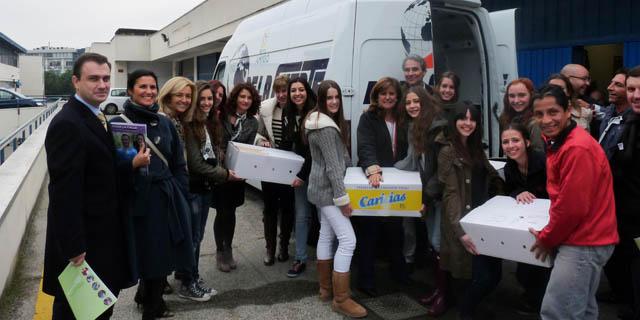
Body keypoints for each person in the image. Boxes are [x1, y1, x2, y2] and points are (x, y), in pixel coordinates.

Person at [43, 53, 141, 320]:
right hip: (85, 245)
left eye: (106, 78)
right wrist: (74, 246)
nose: (102, 84)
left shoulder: (97, 116)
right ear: (76, 81)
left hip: (103, 237)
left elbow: (101, 171)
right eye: (93, 78)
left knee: (97, 309)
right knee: (78, 312)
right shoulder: (68, 124)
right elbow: (64, 192)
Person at [529, 85, 619, 320]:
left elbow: (572, 208)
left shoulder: (576, 148)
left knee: (558, 313)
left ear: (568, 110)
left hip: (584, 242)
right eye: (539, 114)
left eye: (553, 112)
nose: (546, 120)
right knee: (582, 310)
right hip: (587, 239)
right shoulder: (560, 140)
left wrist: (547, 237)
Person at [111, 69, 193, 319]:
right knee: (146, 252)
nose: (148, 92)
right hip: (137, 198)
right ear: (130, 91)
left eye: (152, 87)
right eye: (142, 87)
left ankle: (150, 300)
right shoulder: (119, 123)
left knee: (163, 251)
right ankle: (151, 303)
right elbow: (113, 167)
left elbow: (179, 162)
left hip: (166, 196)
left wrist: (180, 190)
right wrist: (132, 164)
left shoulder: (165, 122)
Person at [304, 80, 368, 318]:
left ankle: (325, 289)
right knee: (348, 240)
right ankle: (341, 299)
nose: (333, 101)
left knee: (326, 235)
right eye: (328, 98)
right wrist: (343, 199)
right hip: (330, 193)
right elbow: (333, 167)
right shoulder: (327, 128)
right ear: (321, 100)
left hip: (320, 190)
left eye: (336, 97)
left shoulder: (316, 122)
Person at [435, 103, 503, 320]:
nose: (468, 123)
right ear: (454, 122)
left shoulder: (475, 148)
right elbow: (450, 194)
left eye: (472, 119)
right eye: (463, 118)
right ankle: (465, 312)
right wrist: (460, 230)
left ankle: (469, 308)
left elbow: (493, 175)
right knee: (472, 273)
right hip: (463, 220)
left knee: (490, 272)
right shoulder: (448, 151)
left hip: (481, 216)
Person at [156, 76, 213, 302]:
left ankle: (181, 281)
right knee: (187, 239)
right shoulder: (163, 120)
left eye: (188, 96)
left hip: (181, 188)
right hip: (175, 190)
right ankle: (186, 283)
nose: (185, 100)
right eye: (179, 95)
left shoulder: (178, 120)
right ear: (168, 95)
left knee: (186, 238)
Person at [184, 81, 244, 298]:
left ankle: (191, 276)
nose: (209, 102)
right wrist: (225, 174)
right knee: (193, 237)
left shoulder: (209, 121)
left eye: (212, 98)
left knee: (196, 237)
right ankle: (189, 281)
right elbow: (197, 164)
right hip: (195, 187)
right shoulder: (191, 124)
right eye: (204, 99)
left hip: (205, 186)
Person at [395, 85, 448, 315]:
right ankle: (440, 290)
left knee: (437, 243)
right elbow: (410, 162)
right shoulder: (414, 128)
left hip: (441, 195)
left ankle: (446, 295)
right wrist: (378, 170)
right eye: (408, 103)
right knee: (432, 243)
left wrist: (427, 196)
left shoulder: (440, 127)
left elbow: (441, 172)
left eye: (416, 101)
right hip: (427, 194)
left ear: (425, 102)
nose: (412, 106)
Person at [355, 77, 408, 296]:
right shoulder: (368, 118)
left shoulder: (404, 118)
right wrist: (373, 169)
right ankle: (365, 281)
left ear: (398, 97)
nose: (387, 97)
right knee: (369, 232)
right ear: (376, 96)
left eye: (392, 94)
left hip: (399, 182)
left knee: (396, 231)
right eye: (383, 94)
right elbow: (365, 146)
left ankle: (399, 275)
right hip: (374, 180)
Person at [500, 122, 551, 314]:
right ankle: (532, 299)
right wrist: (519, 191)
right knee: (524, 268)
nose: (510, 145)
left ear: (527, 142)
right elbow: (510, 190)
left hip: (549, 221)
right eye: (505, 142)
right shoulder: (509, 167)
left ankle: (542, 305)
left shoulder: (543, 161)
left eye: (515, 140)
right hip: (527, 222)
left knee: (544, 266)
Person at [214, 82, 259, 272]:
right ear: (235, 98)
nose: (245, 101)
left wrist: (244, 170)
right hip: (220, 172)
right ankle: (219, 251)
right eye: (242, 97)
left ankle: (229, 250)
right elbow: (214, 141)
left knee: (231, 212)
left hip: (238, 174)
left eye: (249, 98)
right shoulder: (222, 115)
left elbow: (249, 148)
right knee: (221, 211)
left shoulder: (252, 122)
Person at [608, 66, 640, 320]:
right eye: (631, 89)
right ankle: (626, 297)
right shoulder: (629, 121)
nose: (636, 95)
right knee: (625, 260)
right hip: (623, 212)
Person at [255, 75, 296, 266]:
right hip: (270, 166)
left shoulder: (297, 109)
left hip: (290, 166)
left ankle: (284, 247)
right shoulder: (265, 109)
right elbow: (257, 131)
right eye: (278, 91)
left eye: (284, 91)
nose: (281, 95)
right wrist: (260, 140)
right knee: (270, 209)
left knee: (287, 208)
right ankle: (269, 249)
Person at [282, 77, 316, 278]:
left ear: (307, 91)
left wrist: (301, 175)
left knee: (323, 216)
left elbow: (314, 150)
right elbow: (288, 143)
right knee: (302, 215)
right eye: (293, 90)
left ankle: (329, 259)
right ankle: (300, 258)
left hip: (317, 172)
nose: (297, 94)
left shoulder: (315, 113)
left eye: (301, 89)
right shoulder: (289, 112)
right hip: (300, 172)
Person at [498, 78, 544, 152]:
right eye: (512, 96)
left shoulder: (535, 123)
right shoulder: (504, 118)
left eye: (521, 95)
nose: (516, 100)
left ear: (531, 96)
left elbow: (539, 153)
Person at [599, 69, 630, 160]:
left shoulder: (633, 122)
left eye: (618, 85)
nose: (609, 87)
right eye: (611, 83)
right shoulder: (609, 112)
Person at [560, 64, 595, 130]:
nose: (588, 83)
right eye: (584, 79)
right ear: (568, 78)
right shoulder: (548, 101)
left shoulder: (588, 102)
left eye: (588, 79)